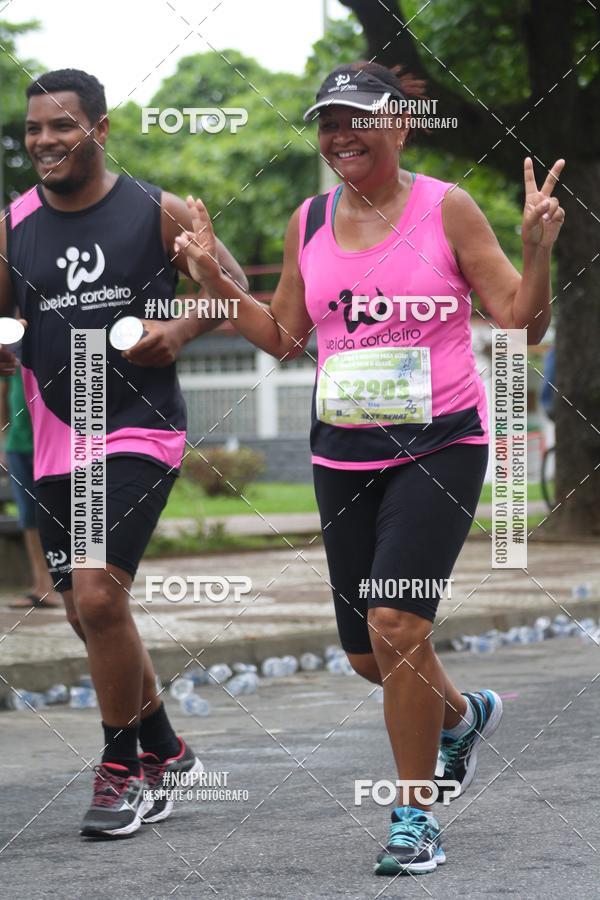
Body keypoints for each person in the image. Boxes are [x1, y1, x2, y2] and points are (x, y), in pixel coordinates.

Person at [175, 62, 565, 876]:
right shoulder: (308, 218)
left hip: (440, 446)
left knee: (397, 625)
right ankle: (460, 717)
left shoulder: (446, 207)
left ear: (400, 124)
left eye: (358, 117)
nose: (340, 134)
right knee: (366, 653)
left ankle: (415, 818)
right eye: (327, 121)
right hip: (339, 454)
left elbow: (522, 323)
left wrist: (535, 251)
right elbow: (284, 337)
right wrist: (214, 282)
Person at [0, 68, 247, 838]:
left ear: (100, 131)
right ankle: (168, 751)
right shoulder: (12, 223)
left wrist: (177, 330)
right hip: (51, 431)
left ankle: (122, 773)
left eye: (62, 126)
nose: (45, 141)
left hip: (138, 426)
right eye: (35, 129)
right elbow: (5, 317)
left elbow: (233, 289)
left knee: (102, 598)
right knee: (86, 611)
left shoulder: (156, 209)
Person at [0, 368, 61, 607]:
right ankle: (42, 586)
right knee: (29, 517)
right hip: (19, 446)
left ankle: (71, 583)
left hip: (56, 444)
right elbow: (3, 395)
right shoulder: (12, 350)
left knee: (59, 514)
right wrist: (4, 441)